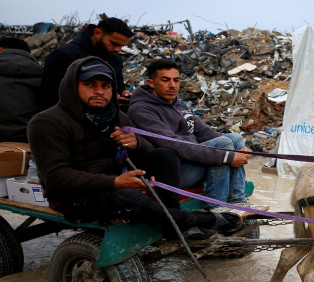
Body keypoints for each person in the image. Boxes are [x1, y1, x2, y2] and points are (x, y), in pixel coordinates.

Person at [27, 57, 240, 241]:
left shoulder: (116, 115)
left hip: (116, 177)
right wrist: (116, 182)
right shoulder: (46, 122)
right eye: (90, 84)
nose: (99, 91)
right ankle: (197, 220)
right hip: (75, 196)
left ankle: (174, 223)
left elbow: (148, 150)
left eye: (106, 85)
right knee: (129, 198)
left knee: (165, 155)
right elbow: (56, 177)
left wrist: (137, 143)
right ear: (74, 86)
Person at [127, 58, 252, 208]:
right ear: (151, 83)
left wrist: (240, 150)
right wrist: (227, 155)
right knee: (222, 146)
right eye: (165, 80)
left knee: (235, 138)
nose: (172, 85)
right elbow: (173, 143)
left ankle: (237, 201)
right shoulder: (141, 109)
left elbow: (203, 131)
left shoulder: (178, 105)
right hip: (172, 172)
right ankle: (217, 208)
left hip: (192, 161)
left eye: (176, 80)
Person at [41, 17, 133, 108]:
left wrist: (123, 93)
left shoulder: (115, 59)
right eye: (114, 44)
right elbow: (51, 95)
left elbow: (118, 86)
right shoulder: (64, 55)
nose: (118, 49)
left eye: (122, 46)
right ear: (97, 33)